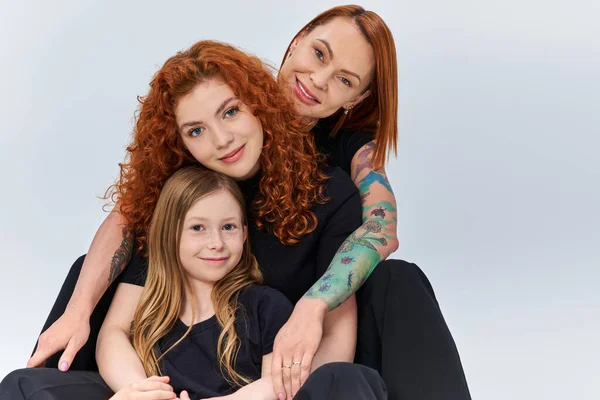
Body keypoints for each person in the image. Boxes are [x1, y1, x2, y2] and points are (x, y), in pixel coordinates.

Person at [25, 5, 471, 400]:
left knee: (397, 280)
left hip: (284, 351)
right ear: (297, 41)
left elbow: (379, 229)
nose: (317, 81)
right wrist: (80, 314)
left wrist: (311, 310)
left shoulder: (341, 169)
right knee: (87, 277)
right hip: (176, 355)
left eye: (343, 79)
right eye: (319, 54)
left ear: (355, 99)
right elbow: (128, 215)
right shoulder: (201, 130)